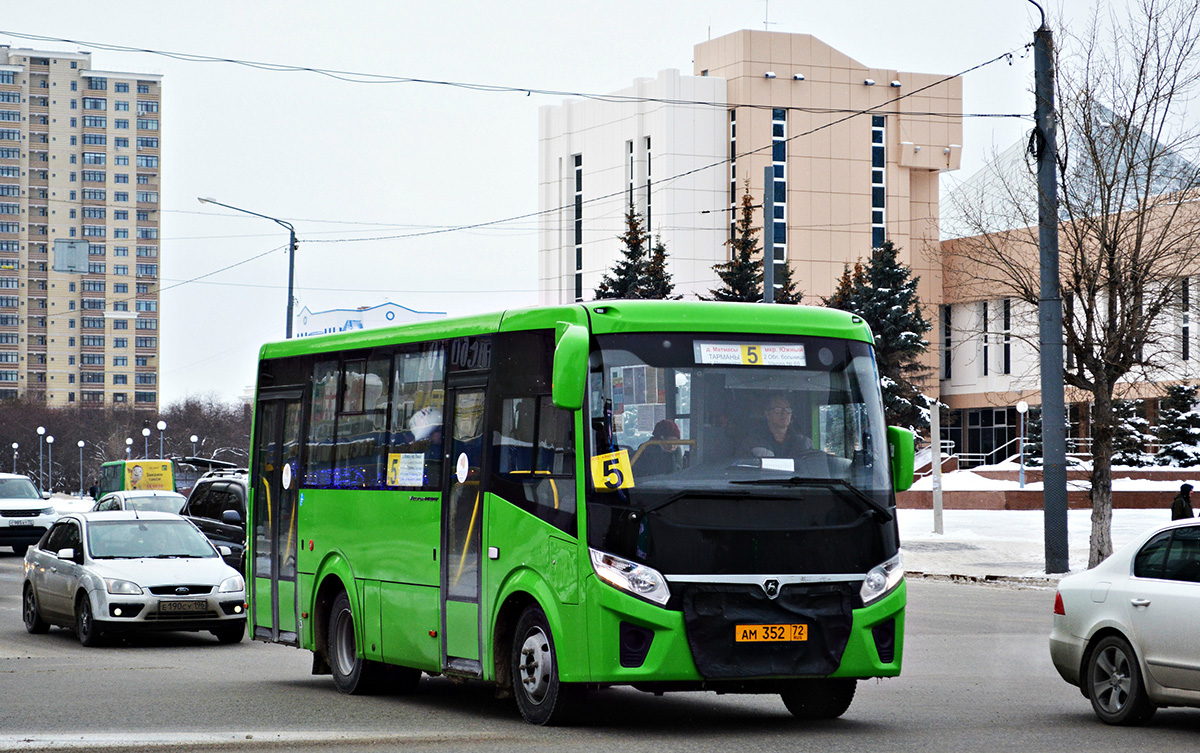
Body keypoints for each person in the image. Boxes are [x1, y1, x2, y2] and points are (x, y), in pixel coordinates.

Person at [743, 394, 813, 459]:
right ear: (767, 414)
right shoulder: (753, 442)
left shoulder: (804, 442)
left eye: (788, 409)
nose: (784, 413)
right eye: (778, 409)